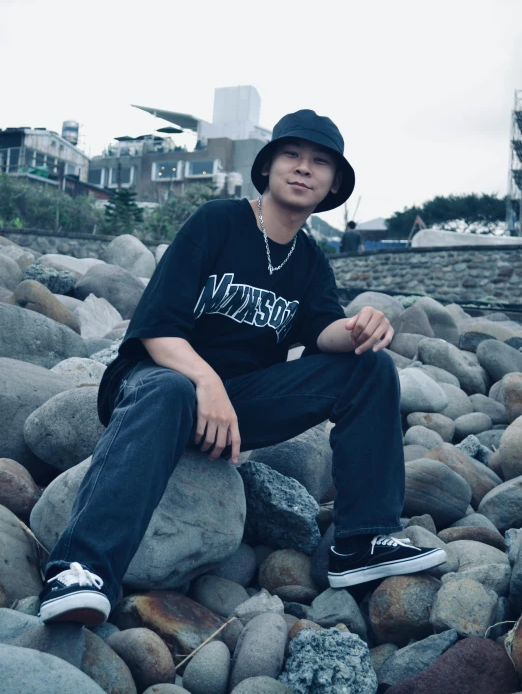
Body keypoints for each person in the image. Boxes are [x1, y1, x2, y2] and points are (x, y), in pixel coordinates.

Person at [39, 109, 446, 626]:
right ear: (268, 167)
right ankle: (81, 567)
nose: (304, 168)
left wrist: (362, 327)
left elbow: (322, 331)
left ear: (334, 183)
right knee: (170, 390)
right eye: (292, 155)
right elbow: (156, 326)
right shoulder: (218, 222)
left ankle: (361, 541)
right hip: (158, 386)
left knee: (371, 367)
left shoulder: (310, 260)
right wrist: (204, 381)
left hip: (238, 406)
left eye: (320, 162)